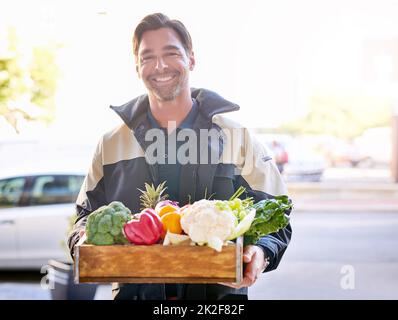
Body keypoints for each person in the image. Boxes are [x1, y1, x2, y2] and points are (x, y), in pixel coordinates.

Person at [68, 13, 292, 300]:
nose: (159, 65)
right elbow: (84, 218)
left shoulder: (237, 138)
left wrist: (261, 250)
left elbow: (277, 213)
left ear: (191, 60)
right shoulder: (111, 143)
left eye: (171, 53)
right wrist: (85, 242)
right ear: (137, 67)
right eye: (147, 57)